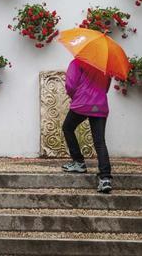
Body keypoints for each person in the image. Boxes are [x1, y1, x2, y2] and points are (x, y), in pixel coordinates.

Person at [61, 58, 113, 193]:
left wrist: (76, 97)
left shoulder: (77, 62)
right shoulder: (104, 65)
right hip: (100, 104)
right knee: (100, 141)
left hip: (82, 103)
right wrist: (98, 97)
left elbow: (70, 85)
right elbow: (106, 86)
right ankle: (105, 178)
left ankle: (79, 162)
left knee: (67, 128)